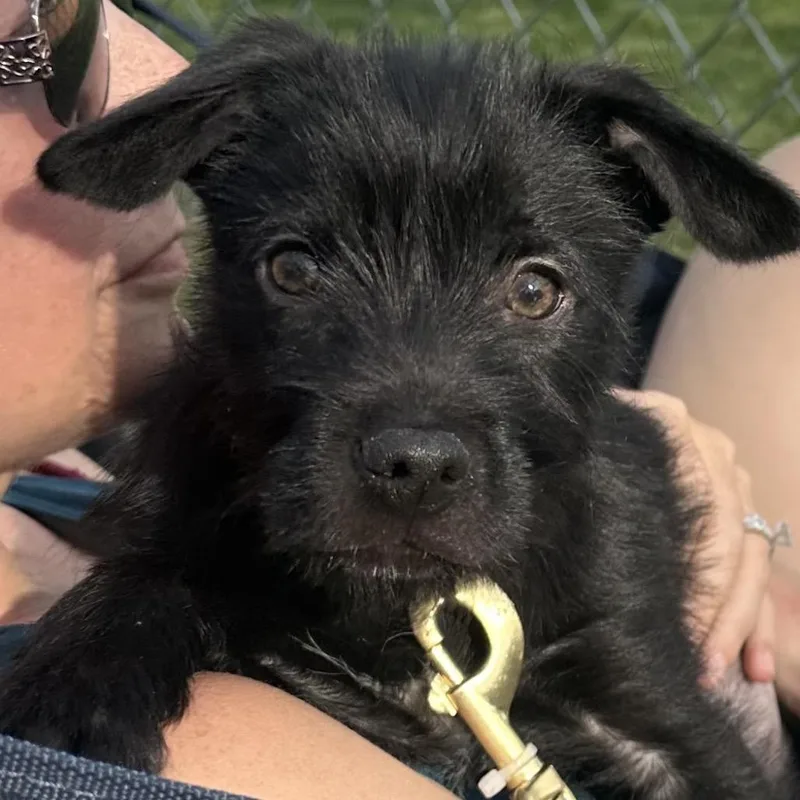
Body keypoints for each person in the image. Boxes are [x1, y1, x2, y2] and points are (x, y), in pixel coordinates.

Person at [0, 1, 796, 798]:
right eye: (298, 273)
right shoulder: (179, 560)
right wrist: (136, 615)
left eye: (531, 290)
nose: (416, 442)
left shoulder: (92, 469)